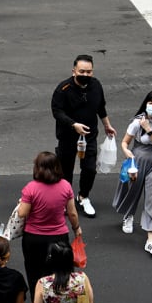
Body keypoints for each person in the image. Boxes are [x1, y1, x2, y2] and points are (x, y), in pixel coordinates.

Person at [51, 54, 117, 218]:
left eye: (89, 72)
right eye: (82, 71)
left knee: (89, 168)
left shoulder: (96, 85)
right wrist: (73, 125)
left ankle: (83, 196)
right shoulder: (63, 89)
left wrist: (107, 125)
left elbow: (100, 107)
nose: (85, 75)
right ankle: (66, 200)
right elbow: (57, 112)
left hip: (89, 136)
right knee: (65, 171)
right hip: (68, 137)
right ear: (74, 71)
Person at [114, 89, 152, 258]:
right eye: (151, 103)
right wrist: (127, 153)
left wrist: (149, 130)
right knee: (132, 190)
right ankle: (128, 215)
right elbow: (125, 143)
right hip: (138, 158)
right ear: (146, 104)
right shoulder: (137, 121)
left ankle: (150, 239)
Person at [16, 151, 82, 292]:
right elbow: (72, 213)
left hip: (34, 238)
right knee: (59, 269)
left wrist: (22, 202)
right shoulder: (65, 186)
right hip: (59, 236)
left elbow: (22, 213)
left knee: (34, 270)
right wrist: (76, 228)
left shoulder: (31, 188)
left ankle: (36, 300)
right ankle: (57, 297)